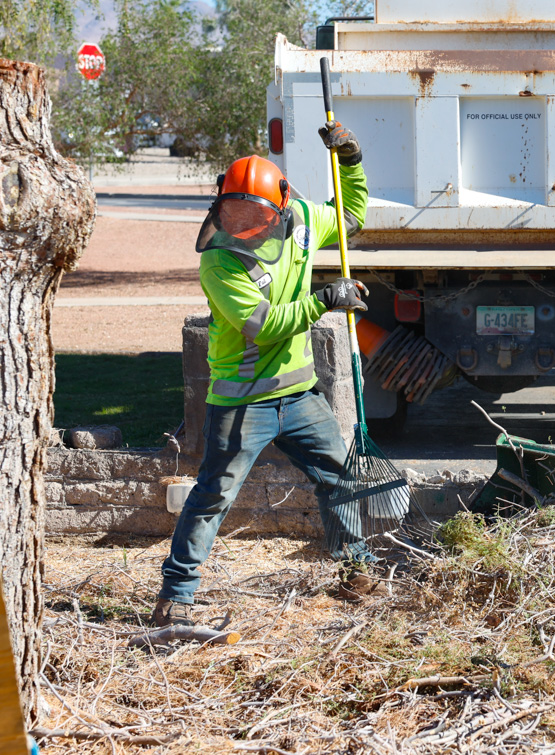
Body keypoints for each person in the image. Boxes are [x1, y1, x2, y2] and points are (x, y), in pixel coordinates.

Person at [152, 122, 372, 628]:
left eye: (257, 217)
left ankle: (357, 572)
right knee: (212, 496)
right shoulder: (219, 262)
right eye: (235, 215)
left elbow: (353, 214)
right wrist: (325, 300)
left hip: (299, 396)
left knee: (341, 479)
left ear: (282, 205)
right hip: (240, 404)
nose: (246, 226)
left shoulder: (305, 221)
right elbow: (264, 327)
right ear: (221, 205)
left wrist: (351, 160)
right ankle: (175, 596)